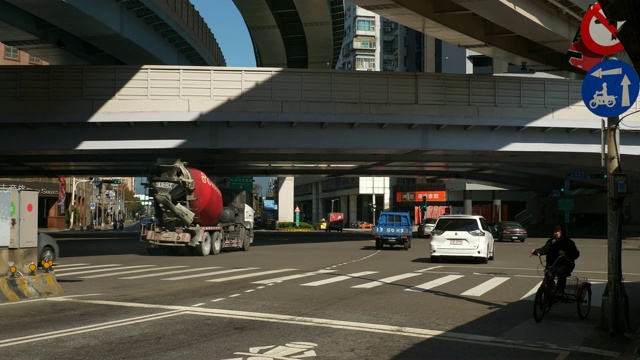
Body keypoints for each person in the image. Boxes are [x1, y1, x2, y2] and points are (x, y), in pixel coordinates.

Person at [530, 224, 580, 295]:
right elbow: (544, 249)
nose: (556, 233)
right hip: (553, 264)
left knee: (561, 272)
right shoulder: (551, 241)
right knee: (549, 275)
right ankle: (549, 290)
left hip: (566, 264)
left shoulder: (568, 242)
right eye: (554, 232)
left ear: (562, 232)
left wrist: (565, 254)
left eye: (558, 231)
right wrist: (536, 251)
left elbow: (576, 254)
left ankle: (560, 291)